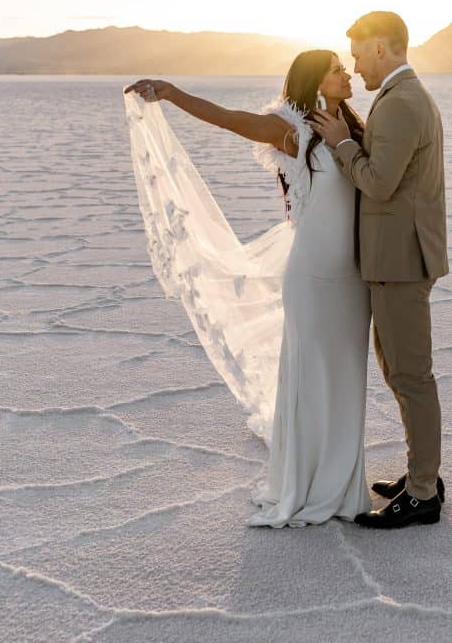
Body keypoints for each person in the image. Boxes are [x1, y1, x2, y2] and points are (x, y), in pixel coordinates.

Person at [123, 50, 372, 528]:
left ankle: (343, 482)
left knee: (346, 376)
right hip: (314, 275)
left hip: (352, 276)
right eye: (337, 69)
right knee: (311, 375)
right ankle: (306, 484)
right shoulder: (290, 128)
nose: (347, 75)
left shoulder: (354, 125)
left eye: (345, 68)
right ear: (314, 81)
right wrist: (172, 92)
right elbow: (228, 119)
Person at [311, 11, 449, 529]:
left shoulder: (401, 103)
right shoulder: (401, 98)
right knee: (400, 372)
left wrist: (341, 143)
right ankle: (423, 477)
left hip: (401, 262)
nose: (354, 64)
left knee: (411, 376)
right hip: (398, 258)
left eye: (358, 53)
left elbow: (379, 181)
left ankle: (423, 494)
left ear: (382, 50)